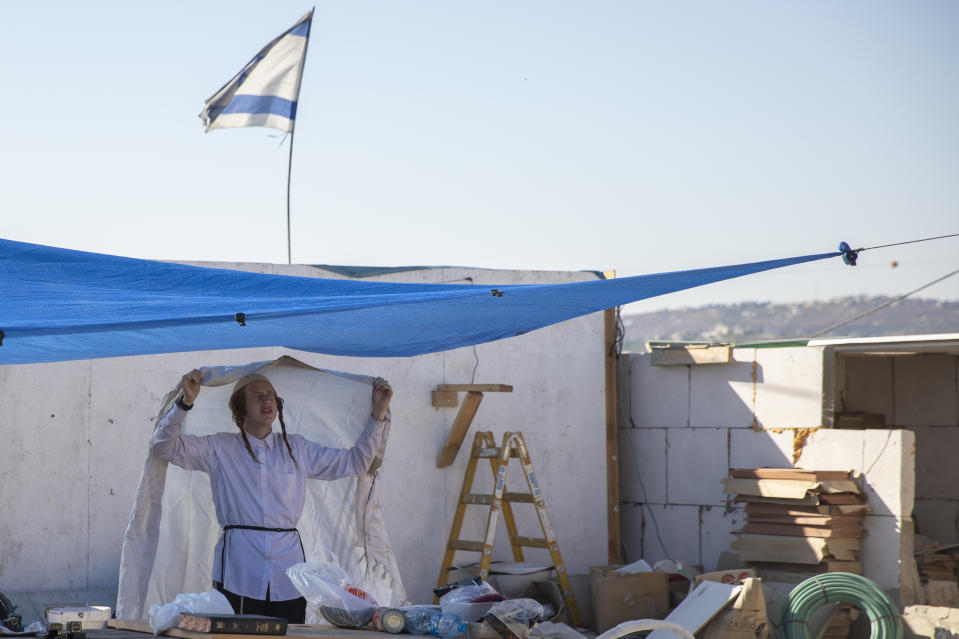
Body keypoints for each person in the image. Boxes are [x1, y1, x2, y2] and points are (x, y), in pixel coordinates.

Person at [150, 369, 393, 623]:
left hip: (287, 572)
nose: (267, 400)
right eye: (258, 396)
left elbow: (355, 462)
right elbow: (163, 446)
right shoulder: (219, 448)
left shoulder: (297, 448)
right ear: (240, 408)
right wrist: (184, 402)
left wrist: (378, 415)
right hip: (239, 571)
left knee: (288, 634)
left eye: (271, 395)